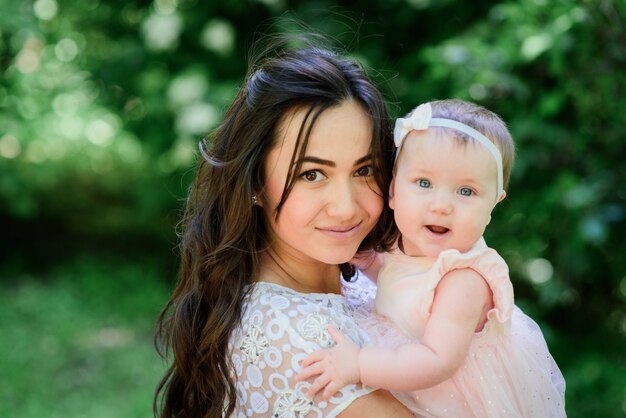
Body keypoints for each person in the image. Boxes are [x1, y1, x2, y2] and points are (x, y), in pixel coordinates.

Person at [153, 36, 417, 418]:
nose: (346, 207)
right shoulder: (294, 339)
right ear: (255, 183)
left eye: (364, 170)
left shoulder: (362, 279)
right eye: (312, 174)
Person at [297, 99, 567, 417]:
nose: (441, 205)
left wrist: (358, 363)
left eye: (465, 192)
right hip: (406, 367)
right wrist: (355, 257)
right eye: (424, 184)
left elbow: (436, 360)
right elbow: (392, 272)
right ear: (394, 190)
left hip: (457, 397)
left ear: (495, 204)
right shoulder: (404, 243)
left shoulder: (464, 278)